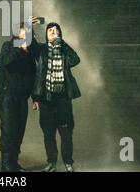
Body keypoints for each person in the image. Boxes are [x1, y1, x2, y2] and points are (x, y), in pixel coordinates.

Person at [32, 22, 81, 172]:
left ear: (60, 34)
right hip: (46, 98)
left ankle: (68, 162)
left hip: (63, 98)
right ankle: (52, 163)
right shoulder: (41, 50)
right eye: (50, 31)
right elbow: (28, 43)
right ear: (46, 35)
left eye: (56, 31)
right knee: (48, 133)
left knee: (66, 133)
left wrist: (62, 43)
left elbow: (75, 60)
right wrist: (28, 26)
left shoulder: (64, 50)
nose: (53, 32)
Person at [0, 17, 40, 172]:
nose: (26, 32)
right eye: (23, 29)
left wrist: (35, 97)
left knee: (19, 130)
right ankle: (6, 165)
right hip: (8, 96)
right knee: (9, 129)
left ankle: (13, 163)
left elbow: (33, 75)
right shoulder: (8, 46)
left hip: (22, 97)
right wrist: (21, 46)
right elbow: (6, 62)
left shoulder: (31, 52)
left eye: (29, 30)